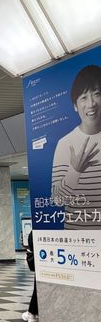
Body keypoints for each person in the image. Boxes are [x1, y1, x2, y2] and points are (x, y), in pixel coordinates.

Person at [51, 65, 101, 229]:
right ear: (75, 105)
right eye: (83, 97)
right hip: (78, 237)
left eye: (96, 94)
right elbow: (57, 200)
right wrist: (75, 171)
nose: (91, 104)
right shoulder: (65, 144)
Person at [22, 231, 39, 322]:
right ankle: (32, 312)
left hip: (42, 262)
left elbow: (31, 243)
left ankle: (32, 313)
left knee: (38, 287)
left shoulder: (36, 231)